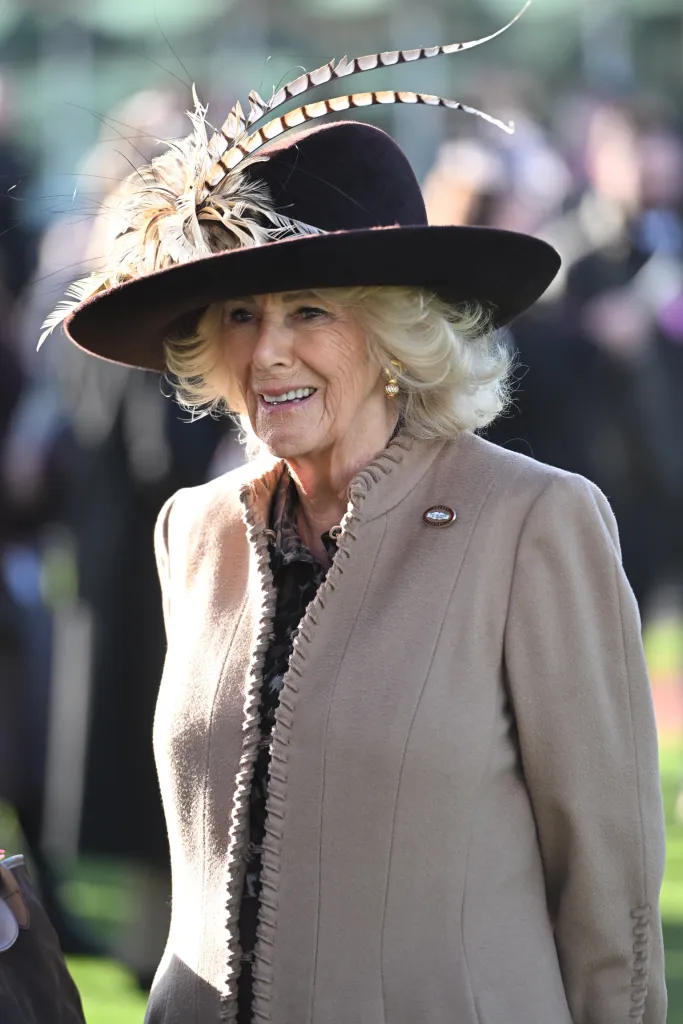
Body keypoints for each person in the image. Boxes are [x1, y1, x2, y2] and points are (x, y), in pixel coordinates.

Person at [45, 15, 666, 1024]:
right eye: (238, 316)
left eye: (308, 310)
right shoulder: (192, 533)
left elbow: (610, 902)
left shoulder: (534, 522)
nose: (268, 352)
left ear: (392, 334)